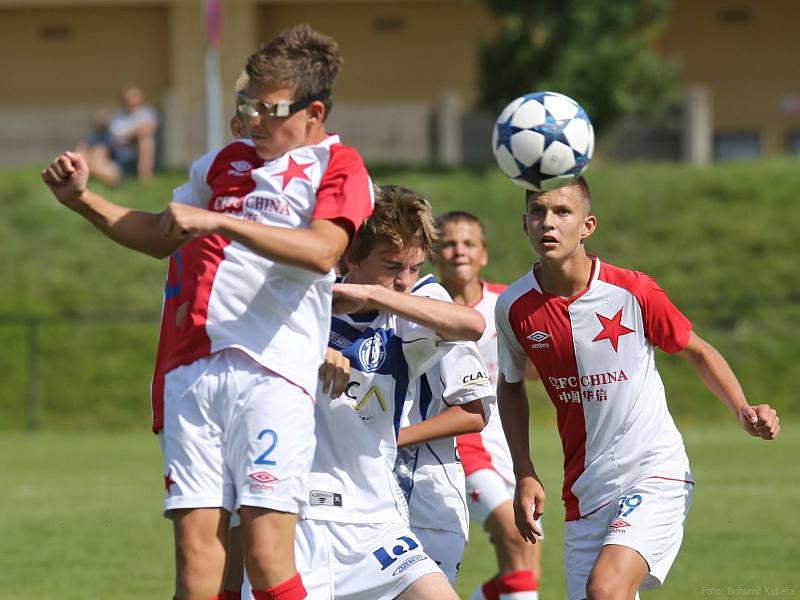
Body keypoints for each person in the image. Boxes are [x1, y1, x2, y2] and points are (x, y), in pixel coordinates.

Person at [42, 24, 374, 600]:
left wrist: (221, 221)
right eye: (247, 103)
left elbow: (324, 250)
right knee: (197, 569)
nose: (253, 119)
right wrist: (83, 201)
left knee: (268, 557)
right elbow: (159, 233)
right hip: (192, 373)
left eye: (269, 108)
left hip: (271, 374)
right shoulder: (223, 163)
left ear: (312, 113)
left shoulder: (338, 165)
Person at [495, 177, 780, 600]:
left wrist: (741, 407)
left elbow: (697, 351)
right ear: (524, 224)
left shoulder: (632, 290)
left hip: (653, 472)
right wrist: (524, 471)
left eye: (562, 212)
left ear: (588, 225)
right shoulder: (515, 306)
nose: (548, 223)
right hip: (583, 492)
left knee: (606, 589)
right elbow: (511, 385)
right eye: (538, 212)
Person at [228, 184, 488, 598]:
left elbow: (470, 324)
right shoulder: (300, 294)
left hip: (375, 517)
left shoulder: (414, 300)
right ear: (350, 256)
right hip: (294, 516)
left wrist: (372, 292)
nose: (404, 281)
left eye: (414, 267)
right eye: (390, 266)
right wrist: (314, 345)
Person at [431, 211, 543, 599]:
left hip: (507, 444)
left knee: (526, 565)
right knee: (515, 536)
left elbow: (527, 369)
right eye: (448, 243)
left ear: (484, 255)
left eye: (468, 244)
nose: (458, 251)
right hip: (461, 441)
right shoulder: (426, 306)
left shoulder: (506, 303)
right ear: (433, 253)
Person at [393, 284, 496, 584]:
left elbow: (474, 411)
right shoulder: (340, 295)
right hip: (357, 500)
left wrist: (388, 439)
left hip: (425, 507)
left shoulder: (430, 299)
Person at [78, 85, 159, 185]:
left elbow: (148, 128)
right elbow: (111, 135)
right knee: (94, 144)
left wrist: (127, 136)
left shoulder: (147, 113)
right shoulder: (117, 116)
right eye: (128, 97)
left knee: (145, 139)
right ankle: (93, 173)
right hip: (115, 151)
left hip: (134, 152)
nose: (131, 100)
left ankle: (144, 176)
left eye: (134, 96)